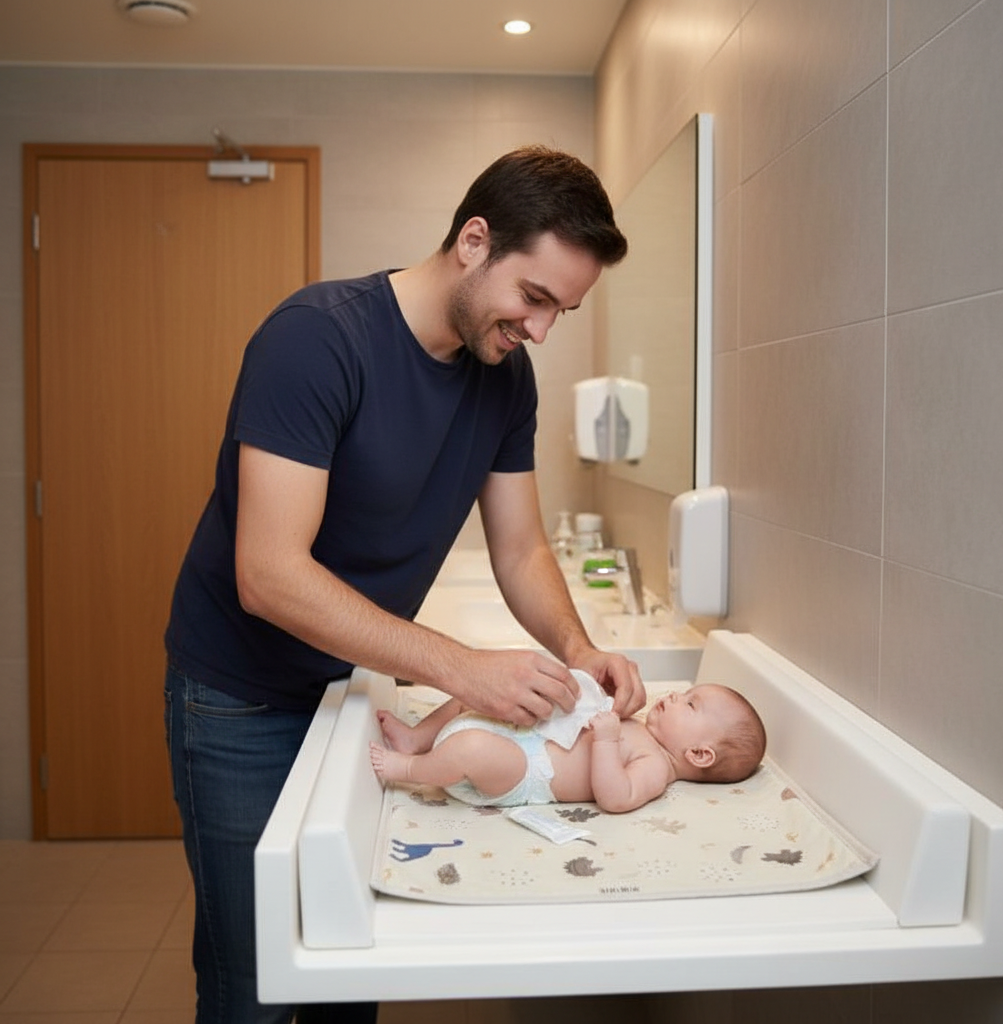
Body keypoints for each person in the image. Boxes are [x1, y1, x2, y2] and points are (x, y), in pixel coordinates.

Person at [163, 145, 643, 1024]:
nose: (540, 330)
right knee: (257, 977)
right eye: (534, 298)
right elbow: (268, 576)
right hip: (240, 698)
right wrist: (462, 668)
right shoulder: (317, 338)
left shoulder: (506, 379)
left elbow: (522, 548)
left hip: (352, 690)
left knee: (351, 963)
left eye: (561, 312)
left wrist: (579, 651)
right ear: (473, 240)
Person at [370, 681, 767, 813]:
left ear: (699, 754)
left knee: (471, 748)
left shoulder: (656, 767)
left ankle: (406, 769)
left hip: (527, 768)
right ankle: (417, 738)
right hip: (526, 734)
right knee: (479, 693)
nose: (677, 696)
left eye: (691, 704)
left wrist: (608, 741)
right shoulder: (644, 727)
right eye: (686, 693)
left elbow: (615, 797)